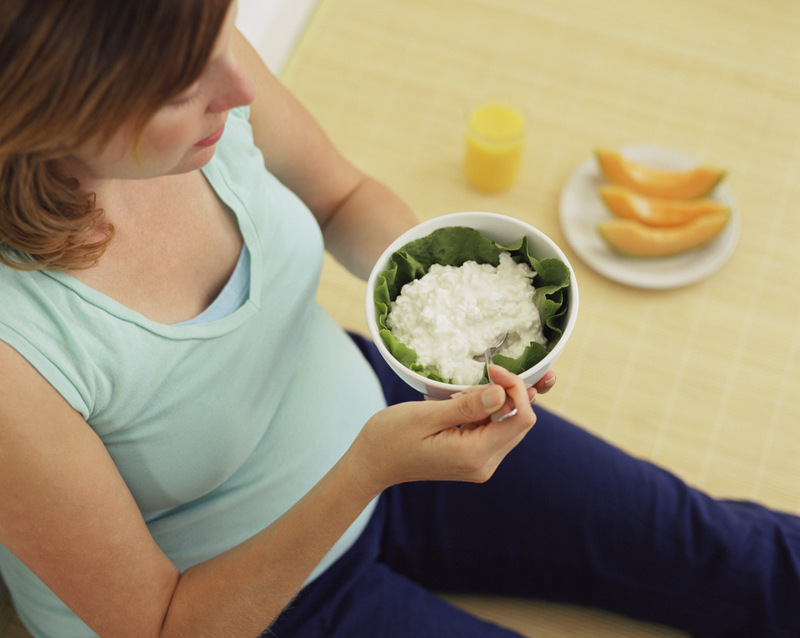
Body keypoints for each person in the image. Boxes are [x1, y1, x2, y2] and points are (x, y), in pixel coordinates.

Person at [0, 1, 798, 637]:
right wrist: (365, 471)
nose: (239, 85)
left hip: (384, 415)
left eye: (228, 25)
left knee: (721, 552)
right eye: (181, 87)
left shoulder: (196, 52)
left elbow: (344, 198)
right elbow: (159, 626)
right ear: (53, 114)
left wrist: (455, 309)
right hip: (248, 604)